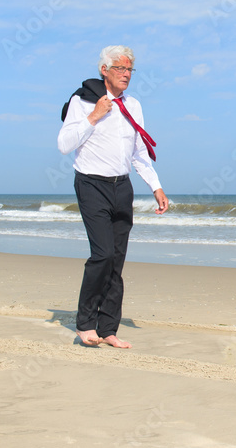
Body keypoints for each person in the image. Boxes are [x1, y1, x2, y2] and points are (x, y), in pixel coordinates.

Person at [58, 45, 169, 349]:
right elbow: (64, 144)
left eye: (130, 69)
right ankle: (85, 324)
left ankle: (108, 329)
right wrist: (94, 116)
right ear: (104, 70)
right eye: (120, 68)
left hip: (123, 187)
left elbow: (139, 153)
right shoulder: (83, 102)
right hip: (91, 184)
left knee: (116, 261)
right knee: (103, 254)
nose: (126, 74)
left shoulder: (133, 105)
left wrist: (156, 186)